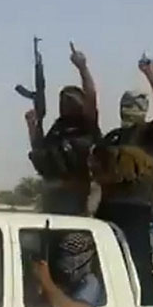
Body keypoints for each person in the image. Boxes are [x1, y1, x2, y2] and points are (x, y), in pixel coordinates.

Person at [92, 54, 153, 306]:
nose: (129, 109)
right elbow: (97, 176)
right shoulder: (112, 137)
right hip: (108, 208)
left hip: (136, 209)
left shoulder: (149, 134)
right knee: (105, 264)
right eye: (127, 104)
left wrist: (150, 74)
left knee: (138, 264)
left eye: (134, 104)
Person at [25, 42, 100, 215]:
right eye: (63, 100)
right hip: (53, 193)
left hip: (78, 193)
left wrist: (82, 68)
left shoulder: (86, 125)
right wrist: (32, 126)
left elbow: (91, 96)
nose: (66, 103)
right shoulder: (58, 127)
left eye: (71, 100)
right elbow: (40, 150)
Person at [31, 232, 103, 307]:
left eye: (70, 255)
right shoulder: (68, 280)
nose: (65, 259)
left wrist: (46, 280)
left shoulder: (90, 282)